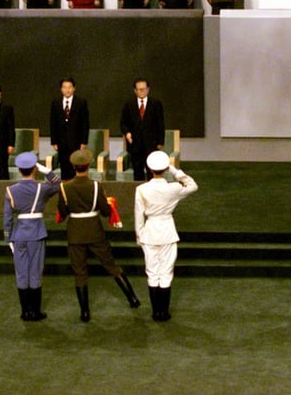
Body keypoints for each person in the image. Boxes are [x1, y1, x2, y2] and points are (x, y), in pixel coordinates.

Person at [57, 150, 141, 322]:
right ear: (88, 166)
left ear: (73, 167)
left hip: (75, 234)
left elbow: (63, 211)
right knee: (112, 266)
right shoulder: (96, 186)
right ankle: (132, 298)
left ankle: (85, 312)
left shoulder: (64, 188)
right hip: (95, 231)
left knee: (80, 273)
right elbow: (104, 211)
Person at [135, 151, 198, 321]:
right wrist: (175, 170)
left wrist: (139, 236)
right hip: (167, 232)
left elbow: (138, 215)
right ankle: (164, 311)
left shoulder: (141, 189)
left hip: (149, 232)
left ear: (149, 169)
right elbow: (192, 185)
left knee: (152, 272)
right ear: (164, 169)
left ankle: (156, 312)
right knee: (166, 272)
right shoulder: (174, 188)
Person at [3, 152, 60, 321]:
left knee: (21, 273)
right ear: (34, 169)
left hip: (19, 235)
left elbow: (7, 217)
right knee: (35, 272)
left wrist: (8, 238)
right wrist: (47, 171)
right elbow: (58, 184)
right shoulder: (41, 188)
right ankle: (35, 311)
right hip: (36, 233)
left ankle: (24, 311)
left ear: (19, 170)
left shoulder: (11, 190)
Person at [120, 78, 166, 181]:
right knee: (137, 172)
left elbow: (160, 124)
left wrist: (160, 142)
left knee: (151, 171)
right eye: (139, 89)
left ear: (148, 89)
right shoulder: (129, 104)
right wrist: (127, 133)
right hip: (135, 144)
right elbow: (123, 123)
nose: (142, 91)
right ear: (135, 90)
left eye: (144, 89)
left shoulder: (155, 103)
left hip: (151, 144)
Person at [50, 78, 89, 180]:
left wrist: (84, 142)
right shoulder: (56, 102)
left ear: (74, 89)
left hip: (76, 142)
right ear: (61, 89)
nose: (67, 90)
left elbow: (85, 123)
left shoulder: (81, 102)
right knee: (64, 167)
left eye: (69, 87)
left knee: (75, 167)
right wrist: (53, 141)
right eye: (65, 87)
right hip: (61, 142)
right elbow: (53, 122)